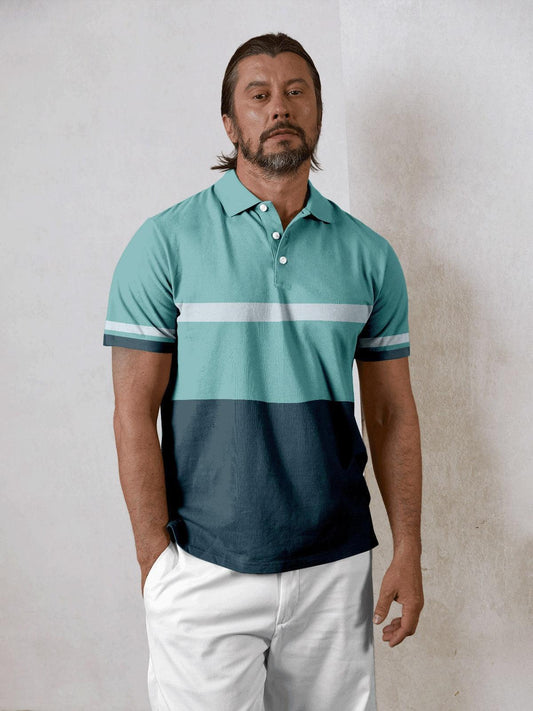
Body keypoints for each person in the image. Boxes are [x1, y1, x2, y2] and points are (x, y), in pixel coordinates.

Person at [103, 32, 423, 711]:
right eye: (259, 95)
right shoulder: (163, 244)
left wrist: (408, 548)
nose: (279, 106)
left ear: (317, 112)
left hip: (336, 568)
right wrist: (155, 562)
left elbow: (392, 412)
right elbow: (133, 412)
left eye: (296, 91)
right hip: (204, 564)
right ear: (230, 122)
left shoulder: (370, 256)